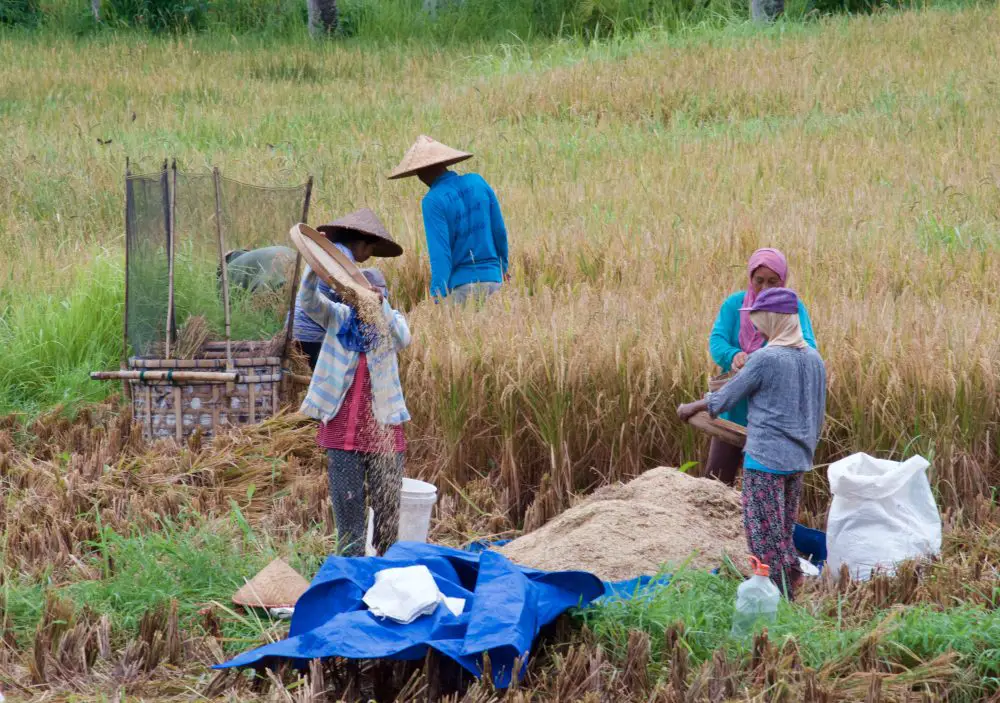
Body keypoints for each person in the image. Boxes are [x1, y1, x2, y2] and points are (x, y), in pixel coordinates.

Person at [678, 288, 826, 599]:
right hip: (798, 460)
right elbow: (817, 410)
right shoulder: (814, 359)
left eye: (759, 320)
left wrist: (691, 408)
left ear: (774, 319)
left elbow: (729, 395)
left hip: (765, 460)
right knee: (783, 529)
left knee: (761, 533)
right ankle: (792, 583)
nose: (756, 327)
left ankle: (776, 595)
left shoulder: (765, 358)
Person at [296, 209, 410, 557]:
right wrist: (317, 268)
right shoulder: (339, 318)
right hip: (343, 426)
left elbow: (403, 338)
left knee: (388, 506)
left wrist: (380, 304)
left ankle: (387, 563)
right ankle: (351, 565)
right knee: (348, 505)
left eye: (374, 293)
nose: (364, 300)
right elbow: (308, 301)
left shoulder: (388, 327)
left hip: (383, 427)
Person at [706, 248, 817, 486]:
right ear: (750, 279)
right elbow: (716, 341)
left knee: (762, 487)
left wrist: (767, 359)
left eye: (772, 282)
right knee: (715, 482)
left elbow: (807, 345)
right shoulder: (734, 304)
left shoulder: (791, 306)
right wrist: (734, 355)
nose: (765, 288)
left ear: (783, 281)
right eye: (759, 281)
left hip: (772, 419)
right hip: (734, 407)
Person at [388, 135, 509, 305]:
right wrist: (503, 268)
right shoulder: (478, 182)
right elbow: (500, 232)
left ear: (421, 173)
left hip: (462, 289)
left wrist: (436, 297)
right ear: (444, 164)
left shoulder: (433, 200)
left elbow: (441, 255)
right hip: (494, 280)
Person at [292, 211, 401, 370]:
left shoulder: (332, 250)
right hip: (312, 332)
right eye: (371, 248)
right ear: (360, 243)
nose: (370, 255)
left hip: (297, 327)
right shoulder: (343, 256)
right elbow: (346, 294)